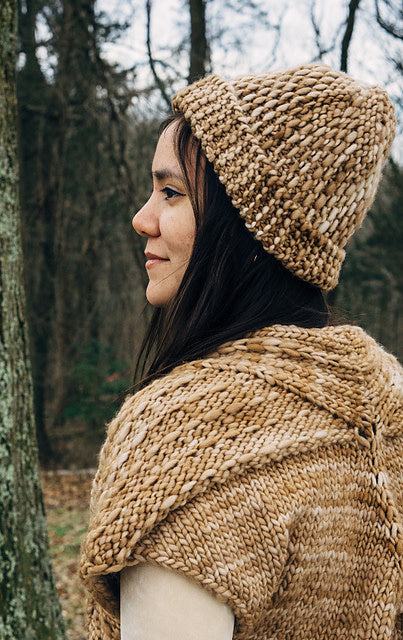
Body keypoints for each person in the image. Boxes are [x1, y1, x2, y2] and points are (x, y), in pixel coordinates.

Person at [80, 63, 403, 640]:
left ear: (249, 227)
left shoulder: (184, 434)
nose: (142, 219)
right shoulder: (390, 402)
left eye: (171, 193)